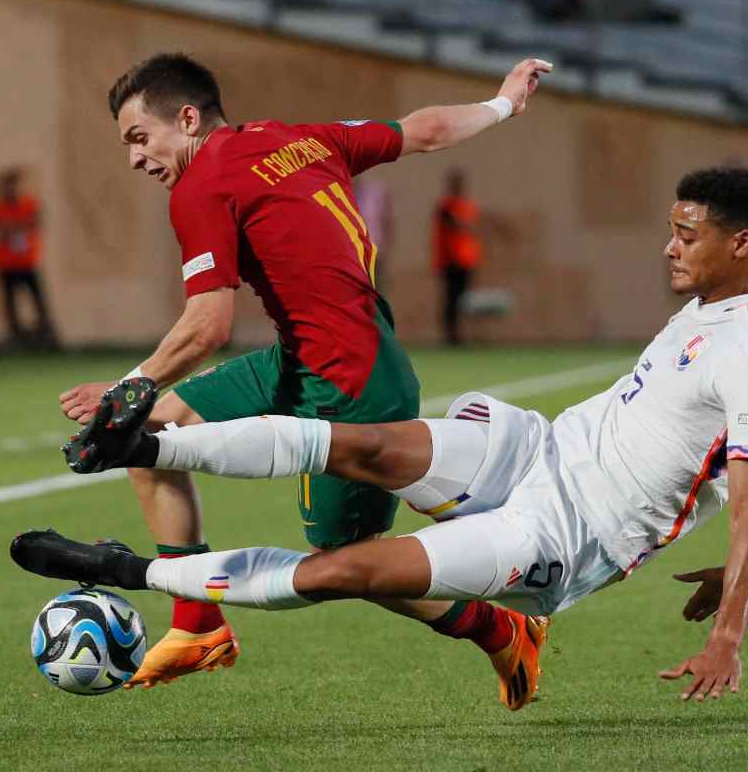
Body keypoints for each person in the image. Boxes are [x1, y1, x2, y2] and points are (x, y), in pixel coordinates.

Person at [15, 167, 748, 706]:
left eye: (687, 234)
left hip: (568, 534)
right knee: (362, 442)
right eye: (672, 229)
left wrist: (729, 631)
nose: (670, 246)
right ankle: (146, 448)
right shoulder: (715, 309)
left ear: (741, 244)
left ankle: (126, 569)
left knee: (346, 569)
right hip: (542, 449)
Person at [54, 53, 554, 705]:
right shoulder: (299, 138)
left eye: (139, 137)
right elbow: (423, 130)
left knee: (345, 562)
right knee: (147, 434)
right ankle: (198, 624)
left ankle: (501, 629)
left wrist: (126, 387)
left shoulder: (202, 187)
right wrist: (502, 104)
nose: (133, 158)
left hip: (349, 382)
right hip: (307, 356)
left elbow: (207, 326)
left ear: (187, 119)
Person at [0, 168, 57, 347]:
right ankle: (16, 336)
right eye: (8, 186)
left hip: (28, 261)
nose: (12, 190)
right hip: (7, 263)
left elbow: (37, 220)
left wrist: (12, 226)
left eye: (14, 186)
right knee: (10, 303)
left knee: (38, 300)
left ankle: (45, 334)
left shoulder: (29, 204)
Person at [433, 169, 482, 345]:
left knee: (464, 299)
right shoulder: (446, 207)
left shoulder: (468, 206)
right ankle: (451, 335)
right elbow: (457, 225)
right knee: (452, 298)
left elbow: (475, 228)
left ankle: (463, 333)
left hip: (466, 260)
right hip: (451, 260)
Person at [353, 176, 395, 296]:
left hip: (375, 248)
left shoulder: (375, 193)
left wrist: (387, 243)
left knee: (377, 287)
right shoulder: (344, 194)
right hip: (355, 252)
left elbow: (387, 220)